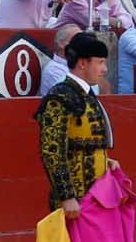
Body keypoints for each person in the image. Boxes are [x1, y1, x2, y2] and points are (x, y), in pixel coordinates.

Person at [36, 31, 118, 220]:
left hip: (96, 196)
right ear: (83, 63)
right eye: (100, 62)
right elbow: (52, 152)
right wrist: (66, 197)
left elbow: (82, 141)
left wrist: (103, 158)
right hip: (76, 201)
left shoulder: (86, 93)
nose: (104, 69)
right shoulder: (60, 97)